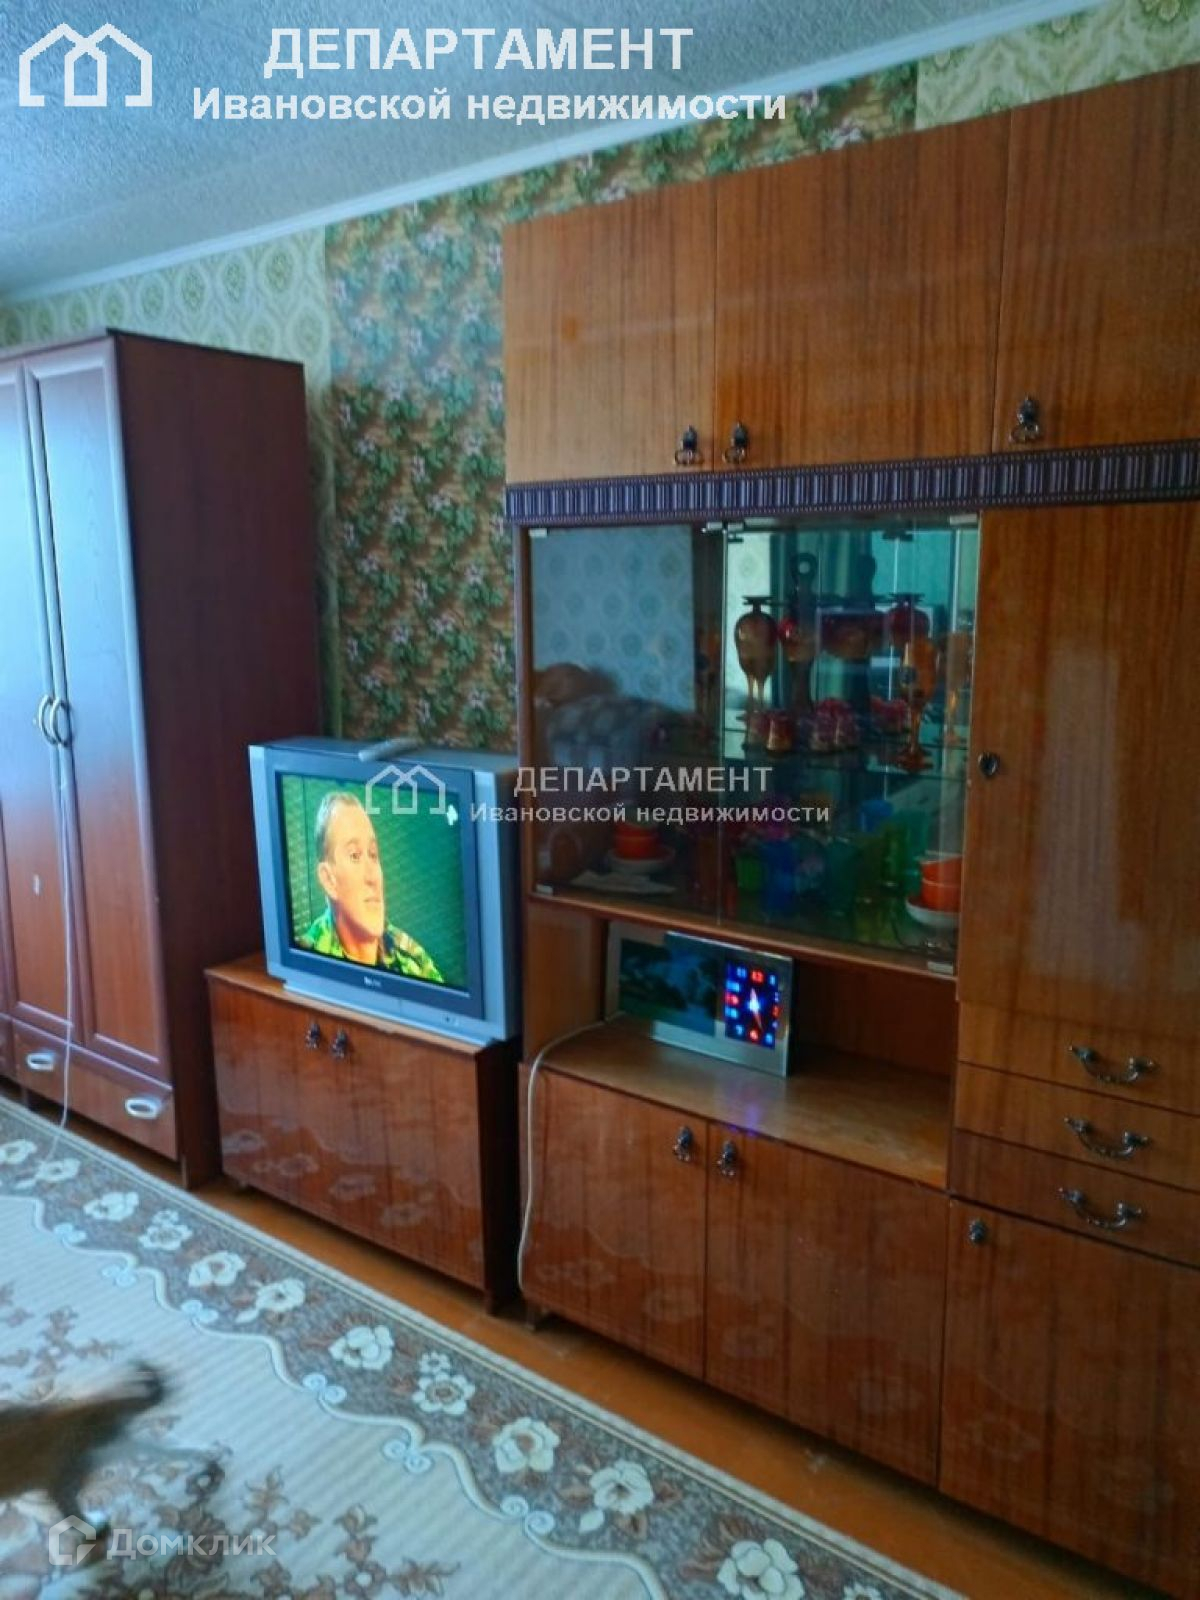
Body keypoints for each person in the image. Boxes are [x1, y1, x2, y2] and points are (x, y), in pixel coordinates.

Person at [297, 791, 443, 982]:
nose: (373, 876)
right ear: (328, 880)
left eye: (373, 855)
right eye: (355, 856)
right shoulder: (305, 961)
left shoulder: (416, 963)